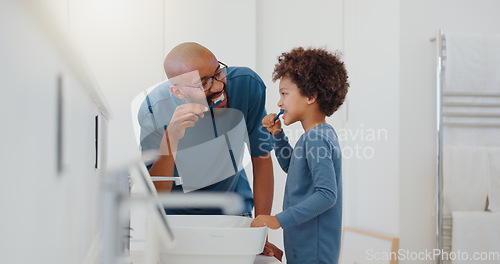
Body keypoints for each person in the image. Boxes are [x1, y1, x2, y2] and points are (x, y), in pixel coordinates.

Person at [137, 42, 282, 259]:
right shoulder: (154, 110)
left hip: (234, 208)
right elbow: (158, 194)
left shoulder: (246, 86)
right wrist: (171, 137)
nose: (217, 87)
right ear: (176, 91)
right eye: (203, 83)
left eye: (218, 73)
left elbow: (261, 159)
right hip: (176, 217)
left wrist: (260, 236)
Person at [251, 47, 349, 264]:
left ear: (311, 96)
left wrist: (278, 220)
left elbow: (326, 195)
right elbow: (292, 166)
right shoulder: (316, 135)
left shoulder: (316, 138)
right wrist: (277, 134)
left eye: (284, 93)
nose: (279, 103)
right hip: (305, 245)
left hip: (313, 251)